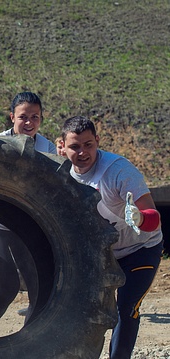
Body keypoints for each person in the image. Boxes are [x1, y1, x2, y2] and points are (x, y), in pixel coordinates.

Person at [61, 116, 163, 359]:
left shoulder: (118, 171)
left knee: (125, 309)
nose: (83, 152)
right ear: (62, 146)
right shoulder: (60, 173)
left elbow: (154, 218)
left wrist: (139, 218)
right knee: (82, 307)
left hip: (140, 249)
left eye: (89, 145)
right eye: (75, 146)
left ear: (97, 141)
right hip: (101, 254)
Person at [0, 91, 56, 338]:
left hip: (23, 220)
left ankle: (27, 341)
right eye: (23, 117)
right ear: (12, 117)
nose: (29, 123)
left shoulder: (46, 146)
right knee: (8, 286)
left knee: (38, 286)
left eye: (35, 117)